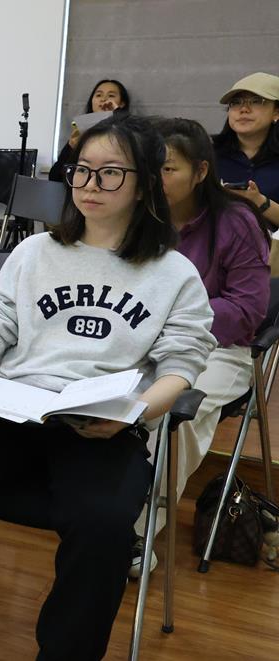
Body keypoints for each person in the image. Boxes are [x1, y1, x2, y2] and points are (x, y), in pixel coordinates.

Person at [0, 114, 215, 661]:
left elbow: (182, 365)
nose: (91, 184)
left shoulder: (173, 273)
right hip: (13, 408)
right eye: (82, 170)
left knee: (103, 523)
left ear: (144, 183)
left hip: (100, 423)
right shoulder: (35, 253)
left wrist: (134, 411)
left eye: (110, 172)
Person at [127, 117, 271, 577]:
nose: (155, 179)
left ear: (201, 171)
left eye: (168, 169)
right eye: (149, 168)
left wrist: (174, 320)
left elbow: (248, 309)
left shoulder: (236, 222)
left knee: (176, 415)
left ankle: (136, 531)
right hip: (140, 341)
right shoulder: (138, 216)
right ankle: (94, 507)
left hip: (219, 350)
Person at [213, 72, 279, 228]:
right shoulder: (209, 154)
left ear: (276, 112)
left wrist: (259, 202)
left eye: (256, 101)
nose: (244, 109)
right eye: (236, 102)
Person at [49, 79, 131, 183]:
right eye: (98, 95)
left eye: (111, 96)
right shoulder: (81, 132)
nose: (104, 99)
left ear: (122, 103)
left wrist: (117, 114)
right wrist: (71, 147)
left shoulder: (128, 132)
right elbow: (54, 177)